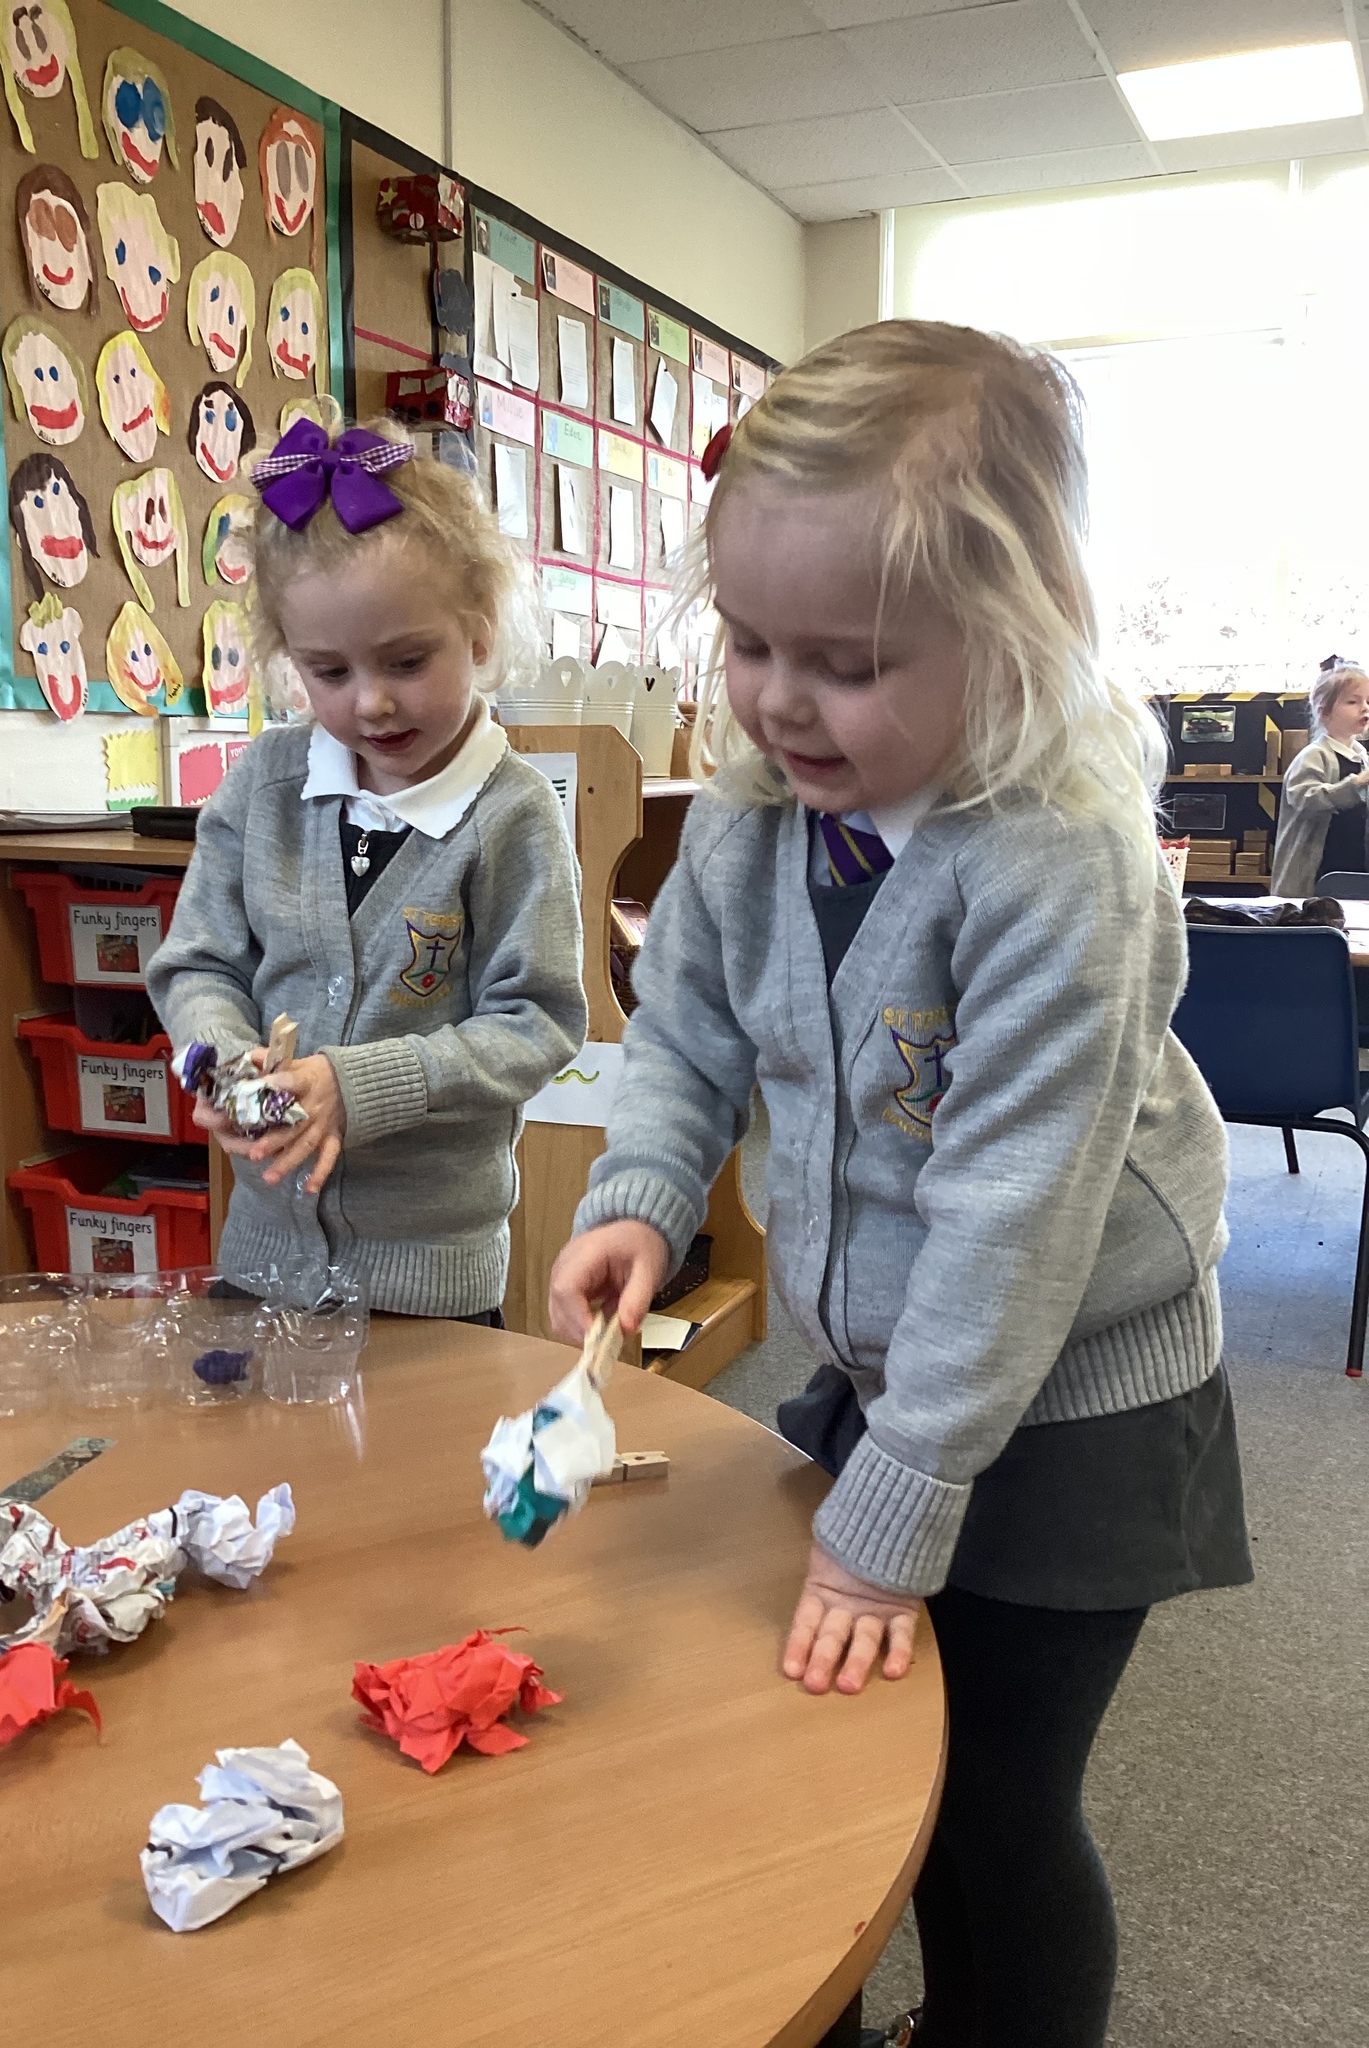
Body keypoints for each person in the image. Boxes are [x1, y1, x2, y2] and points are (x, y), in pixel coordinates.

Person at [548, 322, 1251, 2048]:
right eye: (747, 644)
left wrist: (888, 1527)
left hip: (1079, 1395)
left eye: (848, 663)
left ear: (1018, 635)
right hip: (897, 1362)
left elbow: (1011, 1221)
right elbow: (687, 1031)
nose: (781, 702)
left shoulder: (1058, 862)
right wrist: (641, 1192)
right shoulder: (750, 816)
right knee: (842, 1757)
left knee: (994, 1805)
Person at [149, 418, 586, 1323]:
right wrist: (222, 1066)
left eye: (407, 662)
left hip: (432, 1282)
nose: (373, 701)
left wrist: (362, 1087)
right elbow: (196, 966)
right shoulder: (263, 786)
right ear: (289, 660)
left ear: (478, 632)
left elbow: (538, 1023)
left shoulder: (511, 814)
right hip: (263, 1263)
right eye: (329, 671)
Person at [1269, 654, 1369, 896]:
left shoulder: (1362, 757)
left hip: (1354, 868)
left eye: (1368, 701)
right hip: (1316, 874)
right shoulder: (1314, 756)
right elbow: (1305, 798)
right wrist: (1356, 783)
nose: (1365, 707)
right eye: (1352, 702)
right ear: (1324, 712)